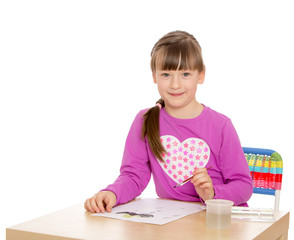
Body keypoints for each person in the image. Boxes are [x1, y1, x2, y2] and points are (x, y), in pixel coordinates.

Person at [84, 30, 253, 213]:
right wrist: (112, 193)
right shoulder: (145, 120)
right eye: (166, 74)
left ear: (201, 75)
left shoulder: (221, 125)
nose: (175, 84)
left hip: (217, 218)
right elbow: (133, 176)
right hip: (170, 218)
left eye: (185, 74)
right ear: (154, 76)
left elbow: (243, 186)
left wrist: (211, 194)